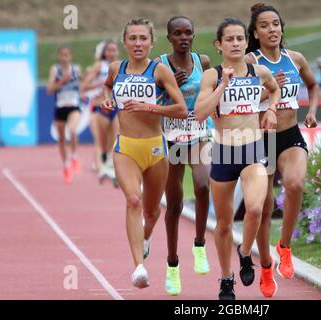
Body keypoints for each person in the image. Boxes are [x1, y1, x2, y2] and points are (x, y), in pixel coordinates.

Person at [195, 16, 280, 300]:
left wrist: (271, 109)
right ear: (219, 45)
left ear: (247, 41)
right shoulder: (212, 75)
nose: (235, 43)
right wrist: (222, 85)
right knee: (223, 224)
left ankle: (245, 253)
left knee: (255, 210)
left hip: (254, 149)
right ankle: (226, 279)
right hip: (223, 152)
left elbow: (274, 89)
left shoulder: (259, 71)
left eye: (240, 38)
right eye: (229, 39)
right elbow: (199, 114)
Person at [101, 18, 187, 289]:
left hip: (155, 148)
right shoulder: (117, 68)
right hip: (125, 147)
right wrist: (107, 98)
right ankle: (139, 266)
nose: (137, 43)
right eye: (132, 38)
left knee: (151, 212)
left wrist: (147, 107)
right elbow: (107, 85)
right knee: (133, 200)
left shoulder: (159, 70)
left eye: (143, 38)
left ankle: (146, 235)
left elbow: (181, 109)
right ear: (125, 41)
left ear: (152, 42)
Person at [245, 3, 319, 297]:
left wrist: (311, 111)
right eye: (264, 25)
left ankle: (285, 246)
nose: (271, 29)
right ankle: (265, 267)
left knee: (296, 183)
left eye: (275, 24)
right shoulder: (250, 60)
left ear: (281, 28)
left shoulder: (296, 58)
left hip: (289, 133)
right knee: (263, 207)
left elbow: (313, 86)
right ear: (255, 32)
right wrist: (266, 90)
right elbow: (236, 103)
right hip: (258, 138)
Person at [156, 16, 212, 296]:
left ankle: (200, 245)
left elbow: (212, 93)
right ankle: (172, 264)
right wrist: (170, 90)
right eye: (177, 33)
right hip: (171, 136)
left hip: (199, 132)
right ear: (168, 37)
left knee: (203, 183)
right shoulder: (160, 66)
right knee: (175, 205)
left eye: (188, 32)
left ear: (193, 35)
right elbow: (150, 104)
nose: (183, 38)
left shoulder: (203, 61)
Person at [82, 39, 120, 182]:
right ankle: (100, 168)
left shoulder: (121, 66)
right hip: (101, 107)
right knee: (100, 141)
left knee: (115, 139)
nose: (111, 53)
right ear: (104, 52)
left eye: (114, 50)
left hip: (116, 107)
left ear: (118, 51)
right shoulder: (100, 66)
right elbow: (84, 87)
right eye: (108, 50)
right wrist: (101, 84)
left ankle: (107, 164)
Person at [46, 45, 83, 183]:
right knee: (61, 139)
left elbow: (83, 83)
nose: (64, 57)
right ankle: (66, 165)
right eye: (62, 55)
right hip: (60, 107)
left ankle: (74, 156)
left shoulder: (76, 69)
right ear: (59, 56)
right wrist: (62, 81)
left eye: (67, 54)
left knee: (73, 130)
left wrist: (83, 91)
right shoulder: (55, 70)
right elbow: (49, 90)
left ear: (70, 56)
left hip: (74, 106)